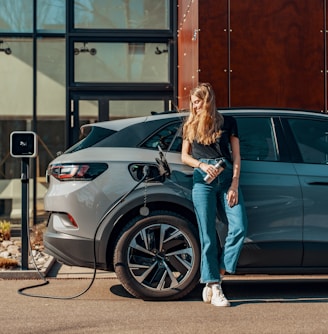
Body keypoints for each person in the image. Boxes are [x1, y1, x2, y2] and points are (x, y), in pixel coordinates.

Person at [181, 82, 248, 307]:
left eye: (197, 102)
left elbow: (237, 156)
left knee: (239, 227)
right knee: (207, 234)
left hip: (227, 178)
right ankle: (213, 286)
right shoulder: (190, 124)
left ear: (207, 100)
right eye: (193, 103)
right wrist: (200, 165)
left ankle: (217, 273)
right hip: (203, 182)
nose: (194, 106)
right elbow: (184, 157)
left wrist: (234, 185)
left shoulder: (228, 122)